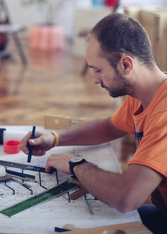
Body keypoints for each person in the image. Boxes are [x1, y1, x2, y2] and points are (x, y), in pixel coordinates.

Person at [20, 13, 167, 233]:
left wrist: (75, 164)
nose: (95, 79)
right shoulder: (145, 94)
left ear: (126, 64)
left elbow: (126, 197)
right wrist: (55, 137)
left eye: (98, 70)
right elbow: (109, 126)